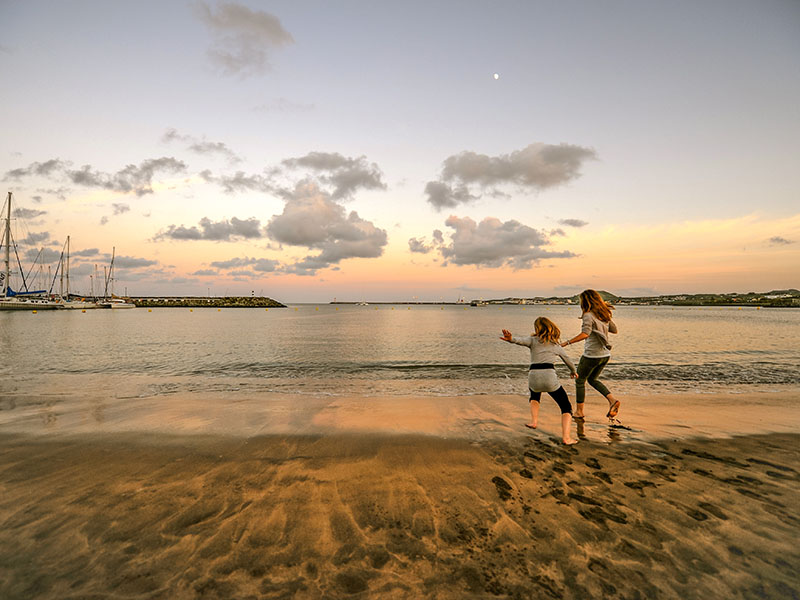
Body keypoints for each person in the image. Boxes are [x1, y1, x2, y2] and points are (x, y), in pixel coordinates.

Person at [500, 317, 579, 445]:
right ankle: (566, 438)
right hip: (549, 377)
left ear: (537, 328)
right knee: (565, 407)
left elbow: (520, 341)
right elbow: (567, 360)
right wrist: (573, 371)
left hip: (533, 376)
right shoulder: (556, 345)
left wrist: (510, 339)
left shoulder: (532, 341)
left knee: (534, 396)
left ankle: (534, 422)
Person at [561, 289, 621, 420]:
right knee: (592, 379)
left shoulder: (588, 315)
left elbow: (585, 334)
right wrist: (604, 322)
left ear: (585, 301)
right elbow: (614, 330)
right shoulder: (603, 314)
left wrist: (567, 342)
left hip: (592, 355)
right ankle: (612, 400)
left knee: (580, 380)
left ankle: (579, 412)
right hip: (605, 355)